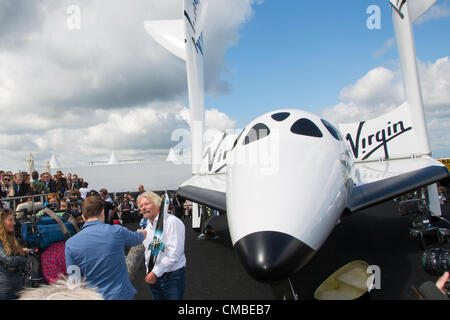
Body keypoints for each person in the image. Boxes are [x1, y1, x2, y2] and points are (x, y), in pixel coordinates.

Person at [65, 196, 147, 300]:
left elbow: (74, 280)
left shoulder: (70, 244)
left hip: (92, 296)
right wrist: (142, 233)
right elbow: (136, 238)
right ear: (103, 212)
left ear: (83, 217)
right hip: (121, 295)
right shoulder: (117, 231)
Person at [138, 191, 186, 300]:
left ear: (157, 204)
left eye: (147, 204)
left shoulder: (171, 222)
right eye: (141, 206)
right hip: (154, 278)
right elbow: (148, 253)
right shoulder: (147, 228)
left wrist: (155, 273)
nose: (143, 208)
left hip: (171, 277)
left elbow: (174, 254)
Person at [0, 209, 29, 299]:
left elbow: (20, 256)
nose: (14, 223)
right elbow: (9, 261)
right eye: (10, 220)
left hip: (18, 287)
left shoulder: (12, 237)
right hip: (4, 290)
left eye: (14, 220)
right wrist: (23, 260)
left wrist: (18, 261)